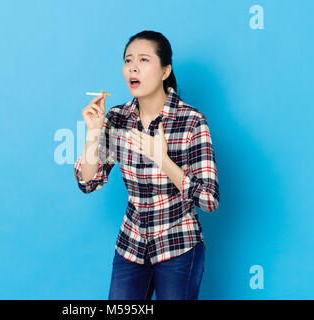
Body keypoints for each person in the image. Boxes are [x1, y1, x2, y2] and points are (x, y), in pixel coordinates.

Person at [74, 30, 220, 300]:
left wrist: (163, 160)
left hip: (178, 245)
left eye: (143, 60)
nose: (133, 67)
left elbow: (209, 200)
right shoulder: (118, 117)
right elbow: (88, 182)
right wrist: (93, 132)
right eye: (128, 60)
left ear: (165, 71)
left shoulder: (191, 121)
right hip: (132, 245)